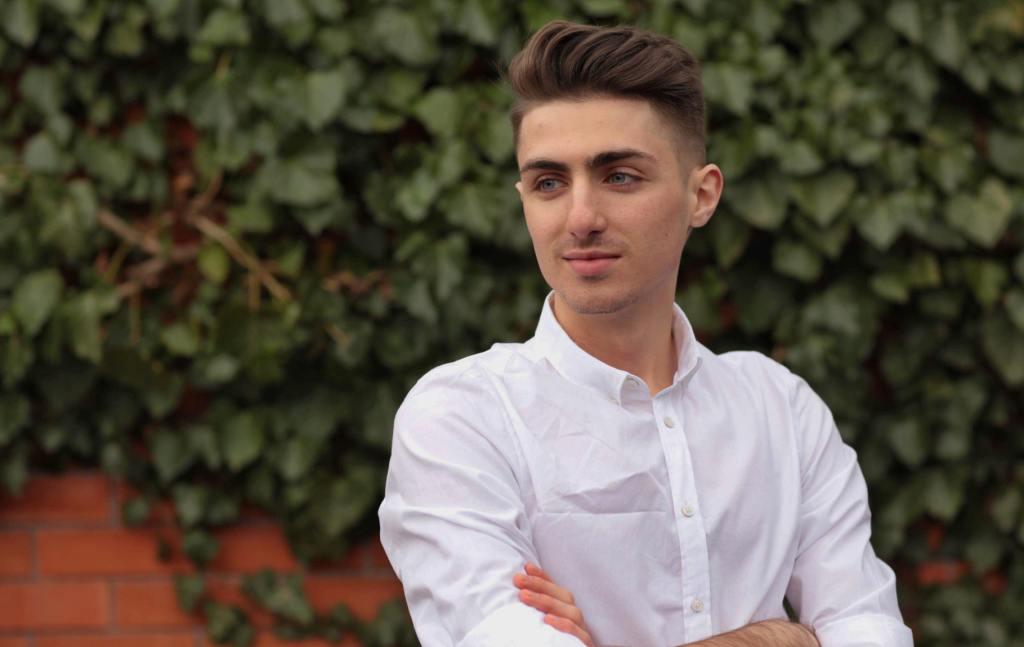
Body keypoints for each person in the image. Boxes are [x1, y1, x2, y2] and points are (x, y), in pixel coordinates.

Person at [378, 19, 913, 647]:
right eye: (549, 183)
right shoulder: (462, 416)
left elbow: (871, 629)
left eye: (619, 177)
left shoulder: (781, 409)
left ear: (701, 195)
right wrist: (783, 638)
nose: (580, 218)